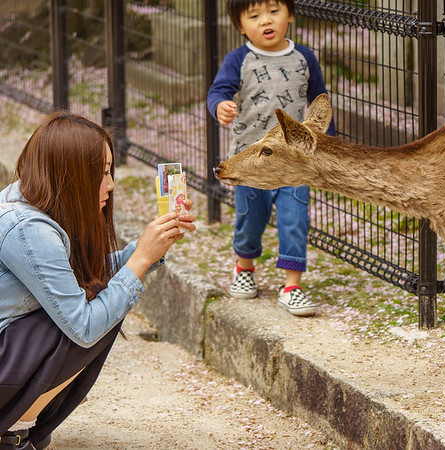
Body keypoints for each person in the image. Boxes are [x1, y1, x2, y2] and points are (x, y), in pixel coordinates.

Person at [0, 112, 196, 448]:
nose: (111, 184)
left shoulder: (35, 202)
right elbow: (83, 325)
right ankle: (11, 430)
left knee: (99, 295)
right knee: (87, 315)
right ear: (71, 175)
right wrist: (140, 261)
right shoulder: (27, 229)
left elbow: (75, 277)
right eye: (102, 172)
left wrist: (150, 246)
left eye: (109, 171)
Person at [207, 0, 335, 316]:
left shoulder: (304, 57)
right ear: (241, 25)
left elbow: (319, 99)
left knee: (295, 221)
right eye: (254, 16)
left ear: (289, 15)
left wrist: (327, 143)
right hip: (250, 164)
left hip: (293, 164)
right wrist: (220, 106)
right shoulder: (238, 59)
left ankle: (292, 286)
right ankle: (245, 267)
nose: (266, 20)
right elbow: (217, 92)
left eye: (274, 12)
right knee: (251, 219)